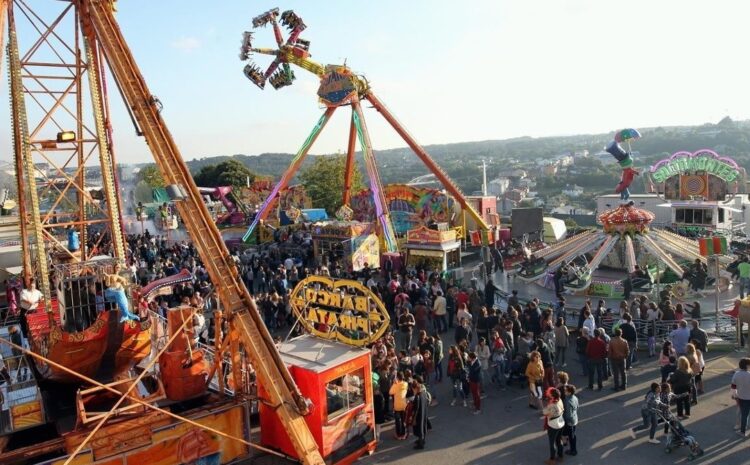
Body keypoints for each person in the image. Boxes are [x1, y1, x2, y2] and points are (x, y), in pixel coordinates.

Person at [542, 388, 565, 465]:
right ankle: (561, 456)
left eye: (549, 393)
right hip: (561, 423)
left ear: (552, 396)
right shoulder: (560, 400)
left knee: (552, 443)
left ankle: (552, 460)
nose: (548, 394)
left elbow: (545, 412)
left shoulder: (552, 405)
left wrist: (545, 406)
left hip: (553, 425)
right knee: (559, 440)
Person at [731, 357, 750, 438]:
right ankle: (744, 431)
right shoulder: (749, 375)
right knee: (746, 415)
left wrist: (735, 397)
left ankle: (742, 429)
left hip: (741, 398)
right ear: (747, 366)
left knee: (743, 414)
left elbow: (733, 387)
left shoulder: (736, 374)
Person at [389, 372, 409, 440]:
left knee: (397, 421)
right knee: (403, 420)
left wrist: (394, 383)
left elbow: (390, 392)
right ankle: (403, 434)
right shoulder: (405, 384)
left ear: (397, 378)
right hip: (404, 405)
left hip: (397, 406)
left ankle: (398, 435)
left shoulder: (396, 385)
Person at [411, 379, 429, 449]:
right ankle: (422, 440)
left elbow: (416, 409)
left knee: (419, 429)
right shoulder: (423, 392)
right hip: (424, 413)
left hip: (419, 416)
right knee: (423, 427)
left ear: (415, 388)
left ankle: (420, 444)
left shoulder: (417, 396)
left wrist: (414, 419)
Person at [562, 385, 579, 456]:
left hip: (570, 422)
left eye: (565, 390)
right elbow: (578, 406)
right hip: (575, 419)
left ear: (569, 392)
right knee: (572, 435)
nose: (564, 391)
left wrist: (565, 421)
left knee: (572, 436)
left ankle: (573, 450)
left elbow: (568, 415)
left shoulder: (567, 401)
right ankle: (567, 443)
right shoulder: (575, 397)